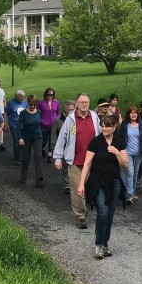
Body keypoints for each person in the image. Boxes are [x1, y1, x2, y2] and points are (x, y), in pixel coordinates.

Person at [77, 115, 128, 259]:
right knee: (103, 212)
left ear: (114, 127)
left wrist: (117, 152)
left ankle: (105, 244)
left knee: (110, 213)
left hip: (114, 182)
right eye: (102, 126)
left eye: (107, 126)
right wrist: (81, 184)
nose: (104, 128)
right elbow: (87, 163)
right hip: (98, 181)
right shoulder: (95, 142)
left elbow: (125, 164)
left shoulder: (119, 142)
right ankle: (98, 244)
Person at [53, 94, 102, 228]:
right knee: (77, 190)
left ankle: (89, 209)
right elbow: (62, 138)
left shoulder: (94, 117)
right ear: (76, 103)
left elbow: (101, 134)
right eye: (81, 102)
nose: (84, 104)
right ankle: (80, 216)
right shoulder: (70, 119)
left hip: (92, 160)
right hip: (75, 161)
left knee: (90, 188)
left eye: (86, 102)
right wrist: (58, 157)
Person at [115, 105, 142, 204]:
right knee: (130, 173)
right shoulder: (124, 124)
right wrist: (119, 151)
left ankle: (132, 192)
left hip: (139, 153)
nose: (134, 114)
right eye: (132, 113)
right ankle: (130, 195)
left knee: (135, 174)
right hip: (127, 153)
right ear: (128, 114)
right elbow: (119, 137)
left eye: (135, 113)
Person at [17, 94, 45, 187]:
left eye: (34, 104)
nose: (32, 106)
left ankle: (39, 180)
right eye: (30, 104)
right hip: (26, 137)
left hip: (37, 136)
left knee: (38, 156)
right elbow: (18, 127)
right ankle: (23, 177)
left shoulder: (39, 112)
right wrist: (20, 138)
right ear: (28, 103)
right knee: (25, 157)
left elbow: (41, 124)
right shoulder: (23, 113)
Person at [51, 100, 76, 194]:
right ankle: (67, 185)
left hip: (74, 147)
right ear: (65, 109)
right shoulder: (58, 121)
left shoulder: (76, 120)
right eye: (69, 110)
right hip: (63, 147)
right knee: (65, 167)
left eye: (73, 110)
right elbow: (53, 135)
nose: (71, 112)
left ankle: (74, 183)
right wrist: (53, 148)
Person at [5, 89, 28, 165]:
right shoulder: (11, 103)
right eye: (20, 97)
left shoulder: (24, 103)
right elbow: (6, 114)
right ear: (16, 97)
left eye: (23, 97)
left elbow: (28, 112)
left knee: (23, 141)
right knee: (16, 141)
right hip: (14, 125)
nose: (22, 99)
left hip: (23, 126)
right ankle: (17, 158)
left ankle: (21, 155)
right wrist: (5, 124)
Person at [39, 87, 60, 162]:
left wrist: (57, 119)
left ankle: (49, 156)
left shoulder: (56, 102)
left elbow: (58, 112)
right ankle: (42, 149)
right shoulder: (41, 103)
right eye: (48, 95)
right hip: (43, 125)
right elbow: (38, 113)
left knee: (52, 141)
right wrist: (41, 121)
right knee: (44, 141)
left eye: (51, 95)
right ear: (45, 95)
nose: (49, 96)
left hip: (53, 125)